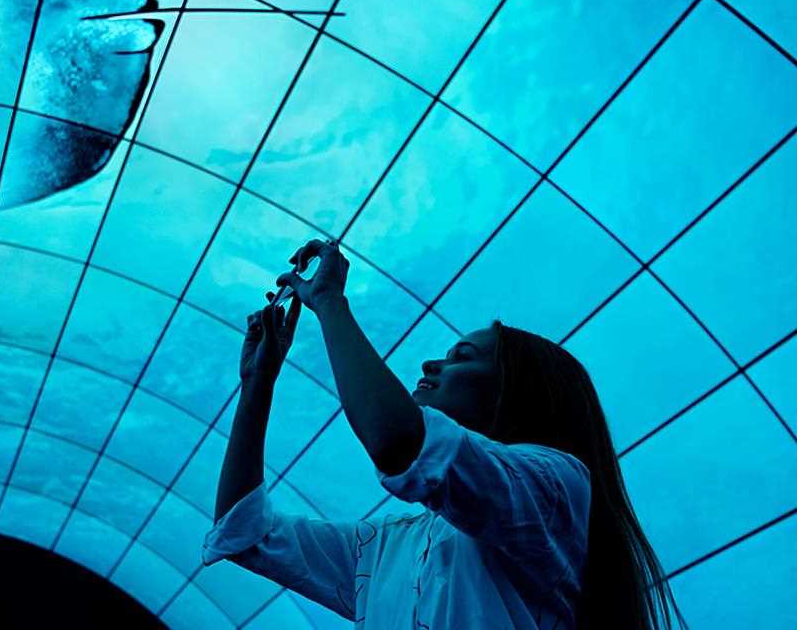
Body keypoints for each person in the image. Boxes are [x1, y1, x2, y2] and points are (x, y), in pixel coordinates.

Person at [202, 238, 688, 629]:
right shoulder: (386, 545)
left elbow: (397, 441)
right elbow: (246, 531)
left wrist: (329, 302)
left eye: (462, 357)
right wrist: (257, 384)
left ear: (514, 392)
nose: (432, 364)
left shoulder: (555, 487)